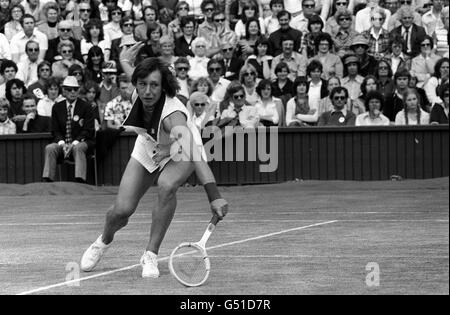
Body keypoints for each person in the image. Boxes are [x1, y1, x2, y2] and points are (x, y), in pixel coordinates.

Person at [80, 51, 229, 278]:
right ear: (136, 86)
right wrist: (123, 62)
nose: (148, 91)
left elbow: (195, 155)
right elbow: (137, 75)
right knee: (121, 211)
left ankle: (150, 254)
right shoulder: (139, 93)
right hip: (150, 146)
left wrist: (214, 195)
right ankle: (103, 241)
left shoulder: (173, 116)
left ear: (163, 87)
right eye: (143, 85)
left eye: (154, 85)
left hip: (184, 151)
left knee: (166, 185)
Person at [42, 76, 96, 183]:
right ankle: (47, 180)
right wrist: (62, 144)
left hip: (82, 142)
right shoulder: (57, 107)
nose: (72, 92)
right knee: (50, 148)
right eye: (69, 89)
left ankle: (80, 180)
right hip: (63, 143)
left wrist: (74, 143)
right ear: (64, 91)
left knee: (78, 148)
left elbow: (88, 130)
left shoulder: (86, 106)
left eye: (75, 89)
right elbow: (55, 130)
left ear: (78, 90)